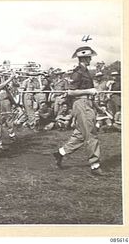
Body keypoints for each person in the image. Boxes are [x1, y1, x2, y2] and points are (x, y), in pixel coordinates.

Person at [52, 46, 104, 176]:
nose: (91, 59)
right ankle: (95, 165)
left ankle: (60, 153)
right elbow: (70, 91)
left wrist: (97, 107)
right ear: (84, 58)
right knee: (91, 135)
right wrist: (88, 91)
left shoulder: (85, 72)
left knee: (81, 135)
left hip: (87, 103)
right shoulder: (78, 72)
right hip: (81, 104)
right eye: (89, 57)